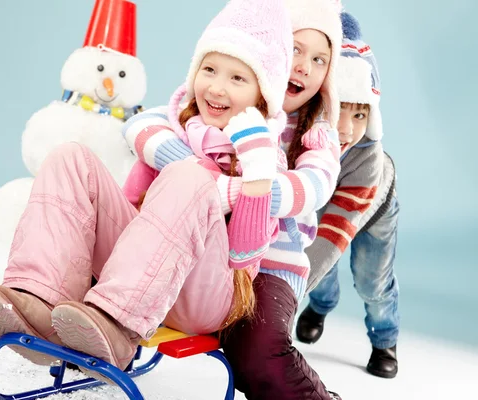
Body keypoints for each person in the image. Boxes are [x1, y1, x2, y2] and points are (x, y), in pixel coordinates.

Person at [0, 0, 297, 378]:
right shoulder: (172, 133)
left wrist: (255, 172)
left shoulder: (265, 157)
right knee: (71, 158)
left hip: (206, 296)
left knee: (191, 176)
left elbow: (244, 255)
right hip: (147, 276)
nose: (217, 87)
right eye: (209, 69)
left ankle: (117, 325)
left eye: (238, 78)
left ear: (262, 93)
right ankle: (39, 298)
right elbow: (129, 210)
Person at [122, 0, 344, 397]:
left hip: (270, 266)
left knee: (256, 352)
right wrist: (194, 168)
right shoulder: (223, 97)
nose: (304, 67)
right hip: (202, 247)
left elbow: (311, 189)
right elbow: (143, 124)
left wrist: (229, 186)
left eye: (320, 60)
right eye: (294, 49)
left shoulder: (315, 133)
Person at [296, 12, 399, 379]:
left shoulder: (367, 159)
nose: (346, 129)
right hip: (322, 206)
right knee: (314, 262)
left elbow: (334, 235)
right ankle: (321, 305)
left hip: (372, 211)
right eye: (339, 109)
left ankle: (385, 337)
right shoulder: (297, 135)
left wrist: (287, 298)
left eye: (360, 115)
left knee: (370, 279)